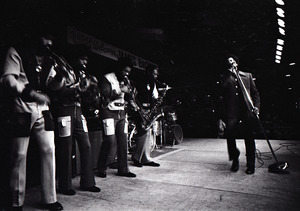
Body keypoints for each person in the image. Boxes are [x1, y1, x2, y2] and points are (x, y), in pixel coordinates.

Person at [0, 33, 63, 210]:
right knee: (19, 154)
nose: (49, 44)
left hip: (43, 108)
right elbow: (7, 79)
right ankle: (15, 202)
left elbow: (51, 85)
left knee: (49, 149)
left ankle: (49, 199)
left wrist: (59, 79)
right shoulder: (16, 52)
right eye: (45, 39)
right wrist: (30, 93)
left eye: (51, 40)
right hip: (22, 106)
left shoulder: (50, 59)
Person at [49, 46, 100, 195]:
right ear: (74, 58)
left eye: (86, 59)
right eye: (82, 59)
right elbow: (57, 91)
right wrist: (78, 89)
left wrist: (91, 91)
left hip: (78, 111)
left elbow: (85, 95)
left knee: (86, 146)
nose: (85, 62)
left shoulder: (82, 74)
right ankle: (65, 186)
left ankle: (88, 182)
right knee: (65, 148)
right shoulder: (64, 71)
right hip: (64, 109)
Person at [217, 54, 260, 175]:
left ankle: (250, 164)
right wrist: (229, 73)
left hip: (246, 111)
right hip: (232, 111)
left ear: (236, 62)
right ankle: (235, 159)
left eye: (232, 60)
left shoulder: (247, 76)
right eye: (228, 61)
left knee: (249, 137)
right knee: (230, 136)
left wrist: (256, 107)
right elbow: (222, 90)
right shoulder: (224, 78)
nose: (230, 62)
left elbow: (255, 94)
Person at [97, 58, 136, 178]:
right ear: (119, 69)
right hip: (108, 111)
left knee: (123, 141)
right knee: (109, 140)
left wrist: (131, 99)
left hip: (121, 112)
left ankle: (123, 169)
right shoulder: (107, 78)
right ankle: (101, 167)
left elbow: (127, 94)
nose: (126, 73)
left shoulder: (125, 80)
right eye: (125, 71)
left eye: (128, 71)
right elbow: (105, 95)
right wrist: (120, 90)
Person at [130, 65, 163, 167]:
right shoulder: (139, 81)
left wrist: (157, 101)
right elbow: (133, 96)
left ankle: (146, 158)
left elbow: (154, 96)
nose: (155, 76)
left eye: (156, 74)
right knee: (143, 133)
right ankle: (136, 157)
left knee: (148, 134)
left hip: (148, 110)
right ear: (148, 73)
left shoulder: (153, 83)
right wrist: (140, 109)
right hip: (139, 110)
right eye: (154, 74)